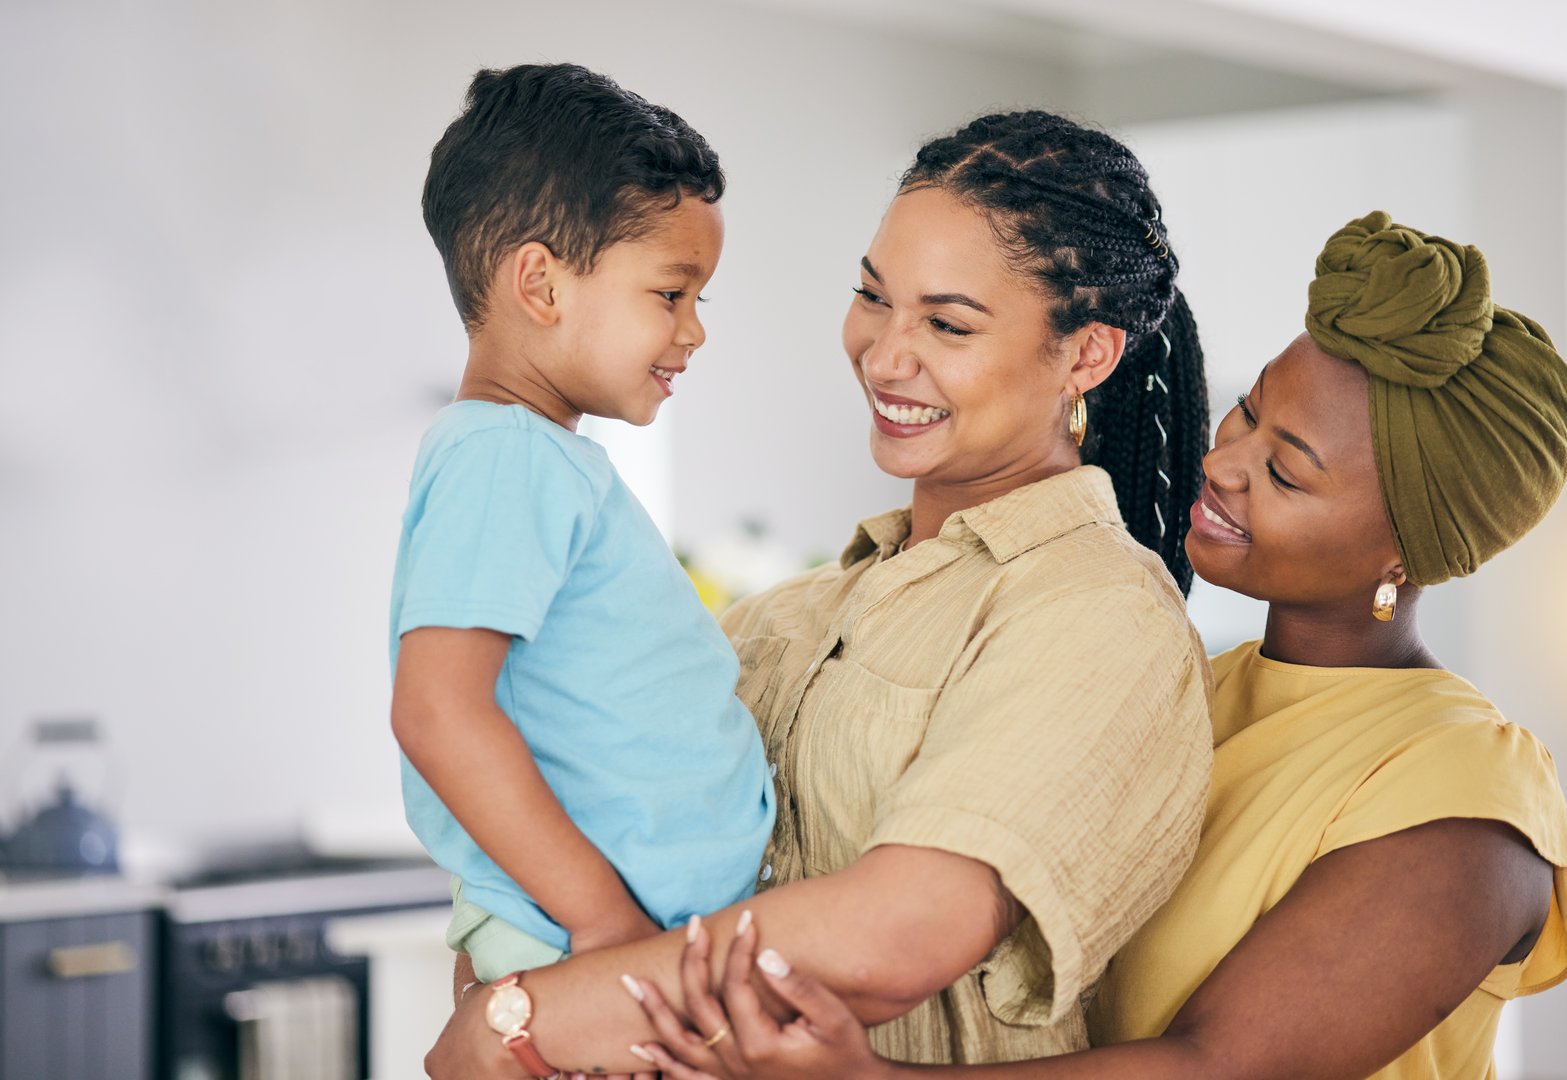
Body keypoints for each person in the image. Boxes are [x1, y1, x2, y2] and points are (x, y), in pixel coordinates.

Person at [625, 211, 1567, 1080]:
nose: (1220, 463)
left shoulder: (1465, 798)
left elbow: (1217, 1069)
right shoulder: (1164, 677)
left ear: (1403, 551)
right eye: (1247, 411)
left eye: (1286, 472)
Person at [422, 110, 1215, 1078]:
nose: (884, 354)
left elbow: (896, 936)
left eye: (947, 322)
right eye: (871, 297)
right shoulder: (783, 618)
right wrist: (501, 965)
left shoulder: (1095, 612)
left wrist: (522, 1019)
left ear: (1086, 356)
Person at [389, 62, 775, 1077]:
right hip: (584, 949)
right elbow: (437, 710)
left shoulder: (535, 457)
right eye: (669, 292)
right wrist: (605, 930)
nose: (693, 329)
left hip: (616, 945)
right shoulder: (505, 456)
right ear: (541, 283)